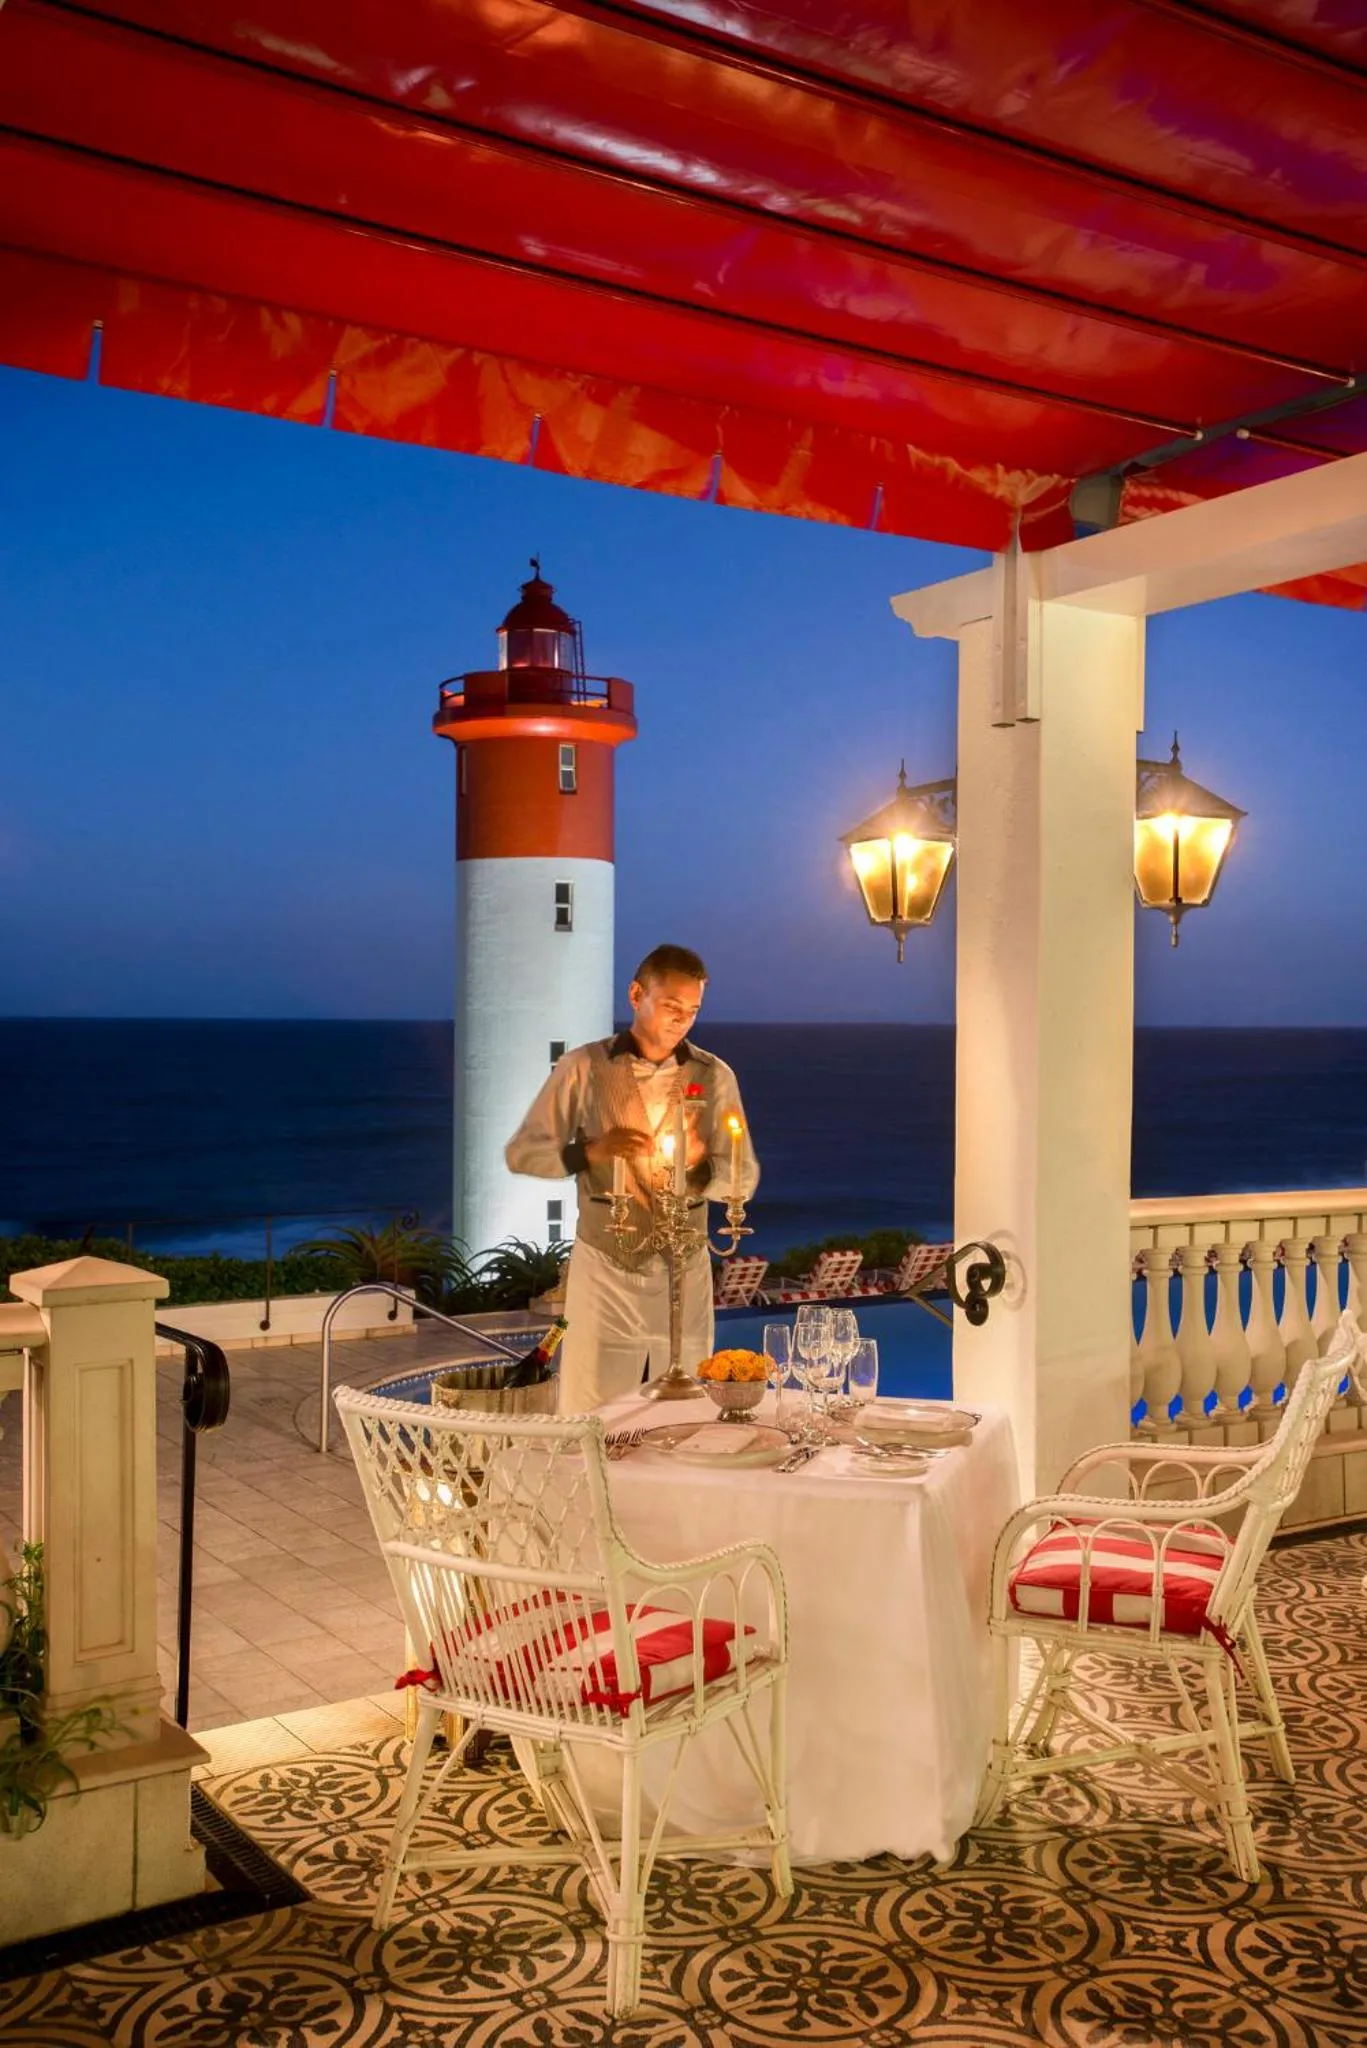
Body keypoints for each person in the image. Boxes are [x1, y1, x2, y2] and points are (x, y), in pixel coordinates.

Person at [505, 944, 759, 1412]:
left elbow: (743, 1177)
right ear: (636, 994)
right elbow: (523, 1153)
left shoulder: (715, 1075)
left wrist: (701, 1169)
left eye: (693, 1010)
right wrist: (591, 1151)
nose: (682, 1020)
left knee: (688, 1411)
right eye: (670, 1006)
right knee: (592, 1408)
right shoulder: (583, 1068)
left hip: (684, 1272)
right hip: (605, 1268)